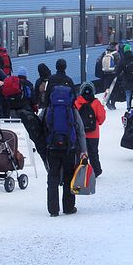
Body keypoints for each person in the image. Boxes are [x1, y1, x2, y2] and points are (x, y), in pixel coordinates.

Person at [41, 85, 87, 217]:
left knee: (53, 178)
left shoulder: (49, 109)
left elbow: (41, 124)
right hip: (69, 149)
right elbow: (80, 131)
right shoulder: (72, 110)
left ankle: (53, 209)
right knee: (69, 177)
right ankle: (68, 207)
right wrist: (83, 150)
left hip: (52, 148)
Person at [73, 82, 105, 177]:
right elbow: (101, 118)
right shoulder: (96, 103)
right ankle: (96, 170)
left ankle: (80, 171)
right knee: (93, 153)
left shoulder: (76, 102)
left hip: (79, 133)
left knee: (79, 152)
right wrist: (96, 123)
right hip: (93, 133)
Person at [99, 44, 119, 110]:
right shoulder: (116, 54)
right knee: (113, 89)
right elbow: (119, 64)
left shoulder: (104, 54)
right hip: (113, 74)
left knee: (107, 89)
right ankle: (113, 104)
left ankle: (107, 102)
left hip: (106, 74)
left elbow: (100, 63)